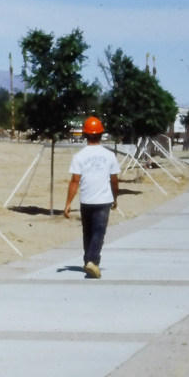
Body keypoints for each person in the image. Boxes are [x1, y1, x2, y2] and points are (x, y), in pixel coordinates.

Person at [63, 116, 119, 279]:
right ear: (101, 134)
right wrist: (115, 198)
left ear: (85, 135)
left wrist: (68, 203)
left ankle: (88, 260)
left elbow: (75, 181)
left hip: (86, 200)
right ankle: (92, 262)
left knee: (87, 232)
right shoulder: (109, 155)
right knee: (98, 232)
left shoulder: (79, 156)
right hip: (103, 201)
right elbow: (114, 181)